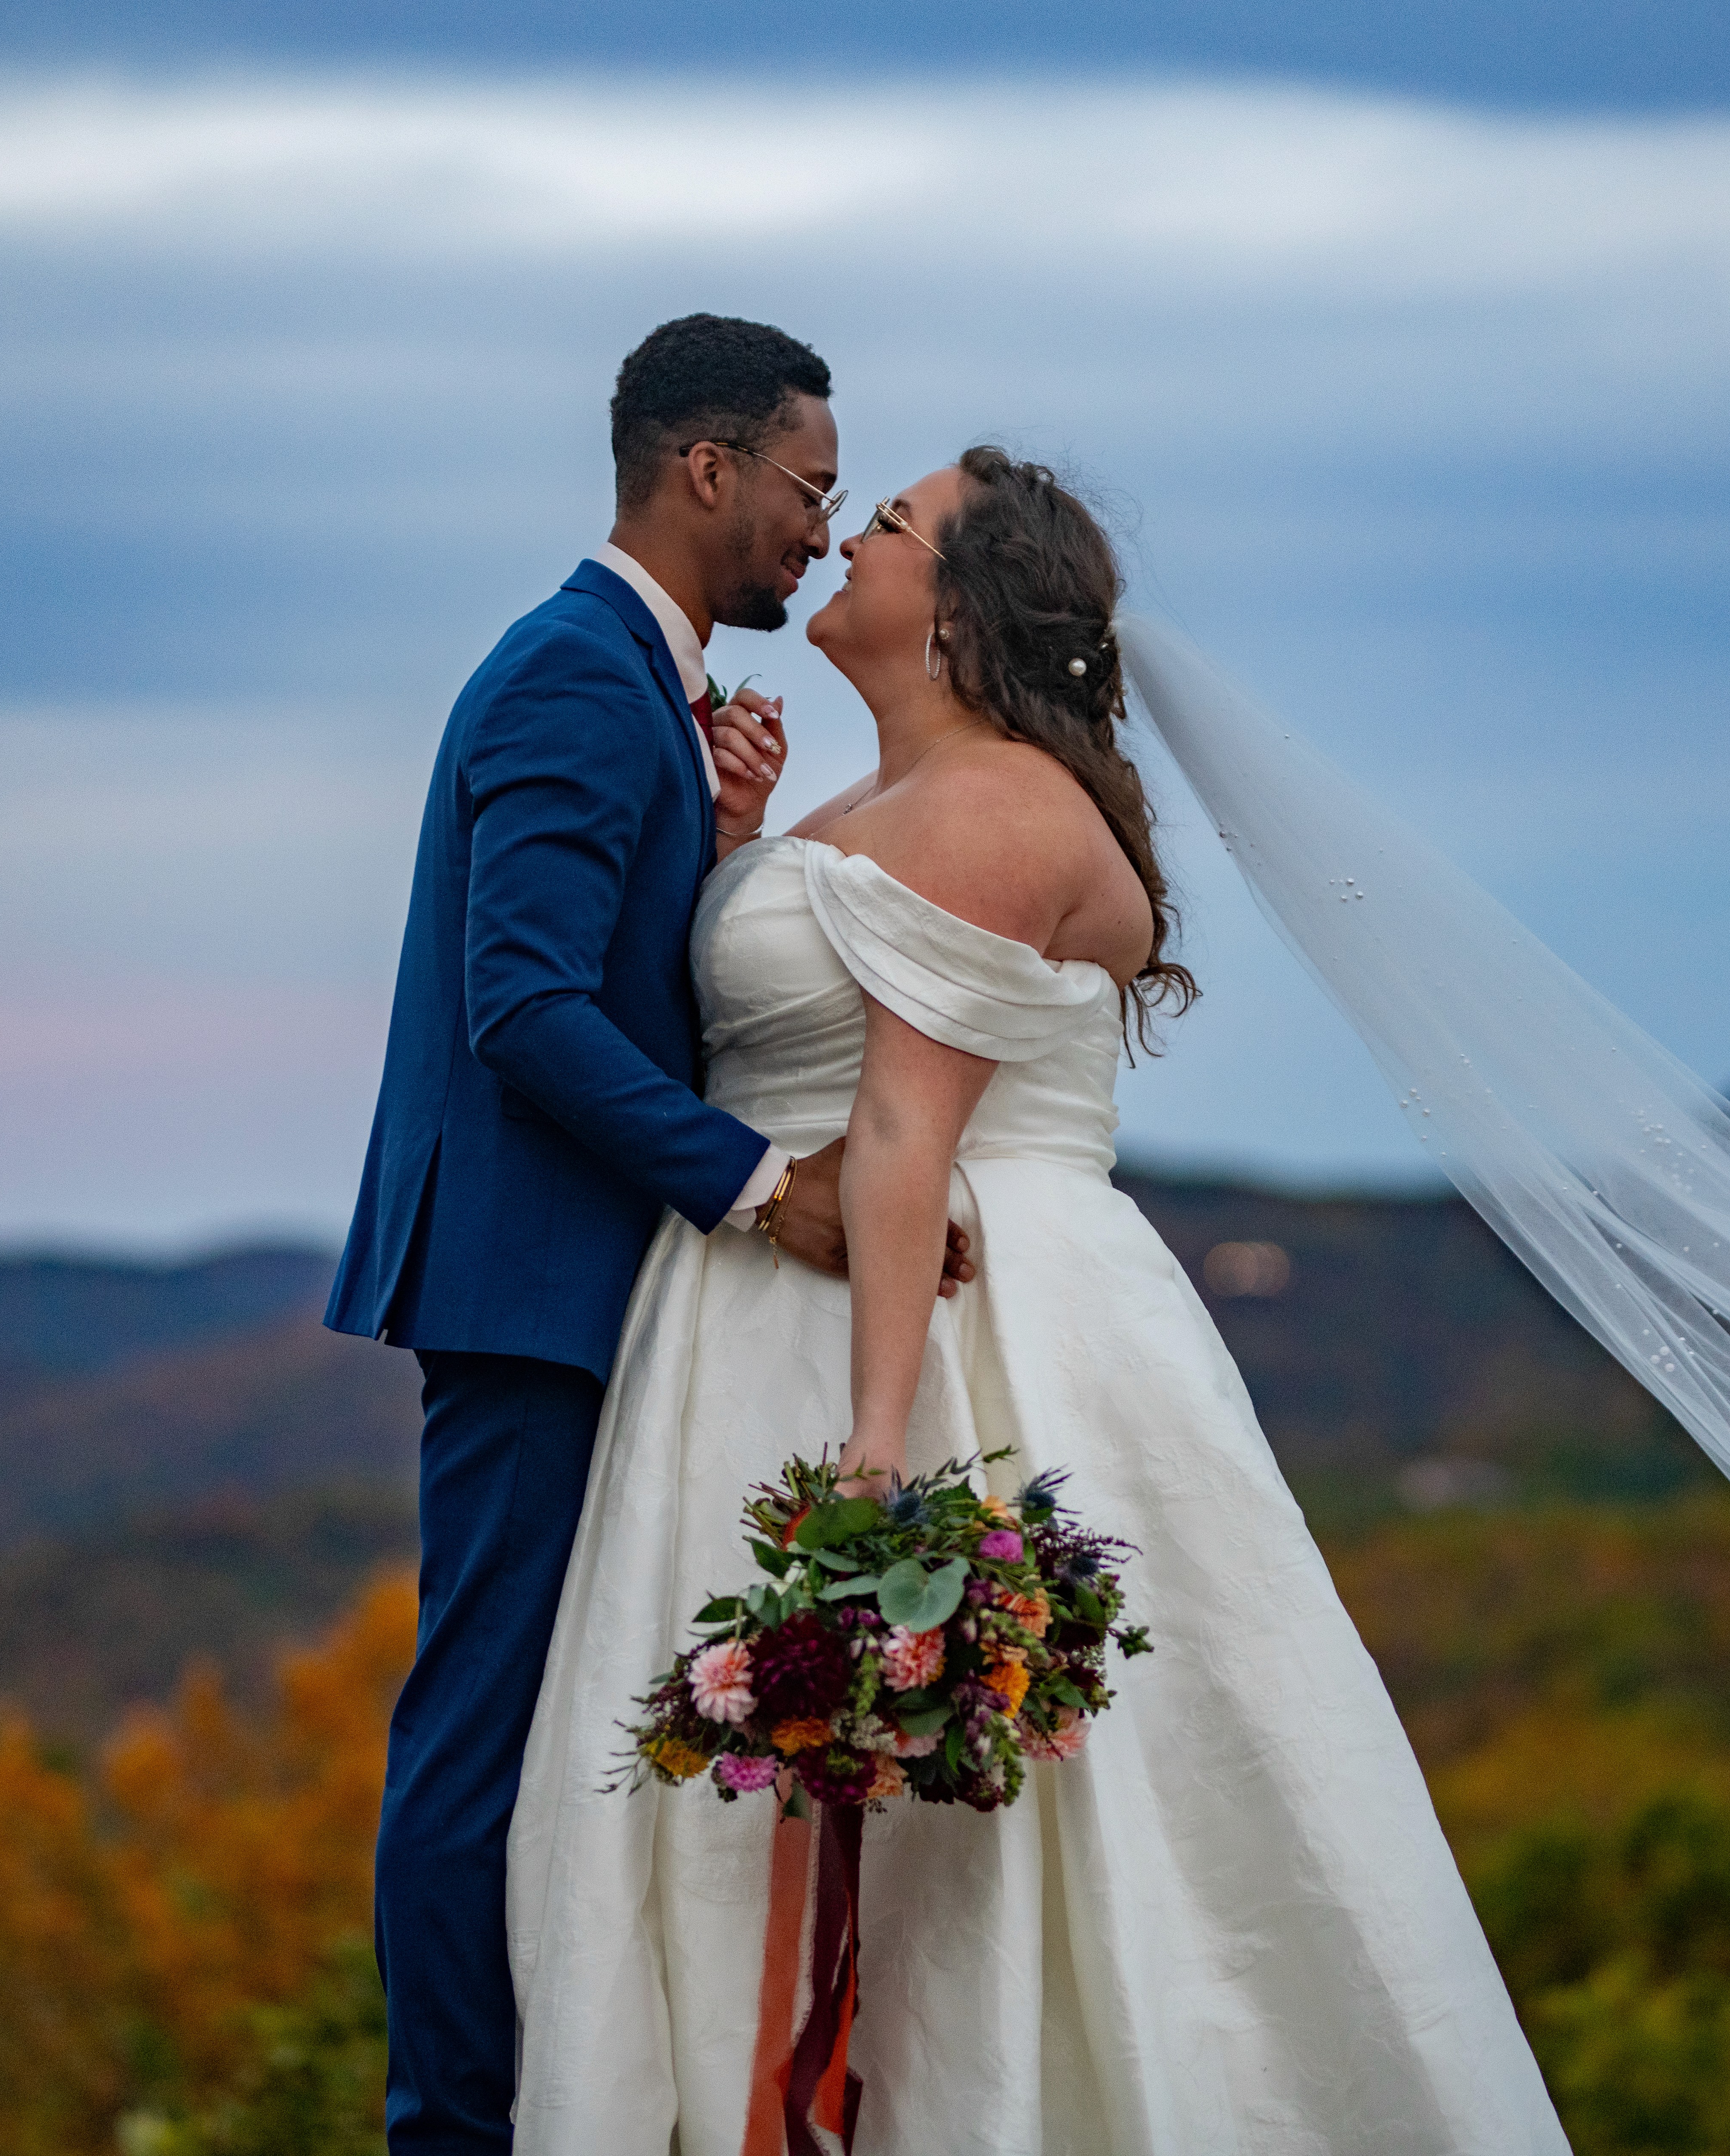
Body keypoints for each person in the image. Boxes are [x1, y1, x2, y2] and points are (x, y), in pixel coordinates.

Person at [504, 449, 1574, 2151]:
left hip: (955, 1336)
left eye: (895, 525)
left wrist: (873, 1447)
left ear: (969, 605)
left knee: (993, 1834)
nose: (852, 537)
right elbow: (794, 1050)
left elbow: (904, 1128)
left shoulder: (1001, 808)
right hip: (751, 1315)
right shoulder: (876, 803)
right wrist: (733, 847)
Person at [330, 315, 967, 2153]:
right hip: (535, 1285)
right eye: (806, 489)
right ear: (708, 471)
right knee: (485, 1730)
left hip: (596, 1285)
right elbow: (521, 1007)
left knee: (543, 1725)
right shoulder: (572, 679)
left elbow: (604, 960)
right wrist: (767, 1186)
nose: (815, 530)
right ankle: (447, 2127)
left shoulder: (638, 689)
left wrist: (719, 843)